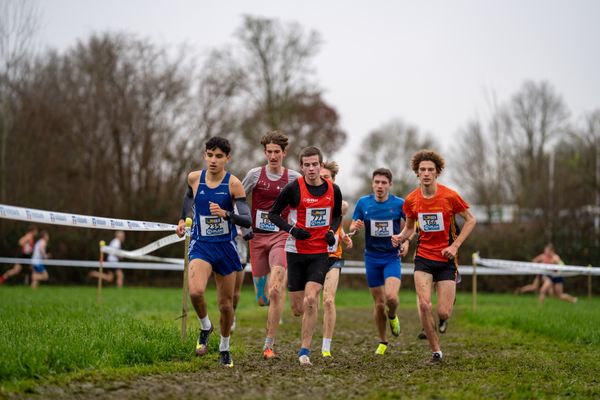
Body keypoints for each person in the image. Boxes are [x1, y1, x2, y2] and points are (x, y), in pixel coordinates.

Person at [392, 149, 476, 365]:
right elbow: (409, 229)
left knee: (443, 312)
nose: (426, 173)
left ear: (437, 173)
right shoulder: (411, 200)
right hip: (424, 258)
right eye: (422, 170)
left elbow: (471, 220)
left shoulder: (449, 196)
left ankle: (443, 317)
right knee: (424, 305)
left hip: (447, 259)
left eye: (430, 170)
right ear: (417, 173)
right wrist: (400, 238)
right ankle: (436, 351)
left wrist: (455, 246)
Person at [176, 136, 251, 368]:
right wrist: (183, 218)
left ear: (228, 158)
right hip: (202, 244)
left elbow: (247, 220)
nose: (213, 160)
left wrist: (227, 214)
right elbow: (189, 197)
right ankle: (206, 326)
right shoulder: (194, 178)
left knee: (226, 305)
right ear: (204, 155)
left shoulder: (234, 184)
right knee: (196, 292)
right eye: (210, 155)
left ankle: (225, 347)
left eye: (219, 156)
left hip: (225, 248)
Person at [269, 146, 342, 366]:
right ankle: (305, 322)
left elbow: (337, 215)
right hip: (296, 252)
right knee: (297, 308)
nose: (311, 169)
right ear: (301, 167)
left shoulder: (334, 189)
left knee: (312, 298)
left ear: (321, 166)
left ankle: (304, 351)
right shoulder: (293, 189)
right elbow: (273, 214)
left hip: (320, 252)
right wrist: (292, 230)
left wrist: (331, 231)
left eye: (315, 164)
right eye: (307, 165)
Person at [240, 130, 301, 359]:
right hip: (257, 238)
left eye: (277, 152)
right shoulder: (255, 175)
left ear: (284, 153)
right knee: (262, 298)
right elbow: (236, 197)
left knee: (276, 288)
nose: (273, 156)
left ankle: (269, 345)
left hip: (281, 236)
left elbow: (305, 202)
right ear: (264, 152)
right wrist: (239, 223)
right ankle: (261, 295)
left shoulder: (294, 178)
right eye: (269, 152)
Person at [350, 168, 409, 355]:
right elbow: (353, 224)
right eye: (377, 182)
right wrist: (356, 226)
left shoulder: (400, 204)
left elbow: (411, 226)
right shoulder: (363, 202)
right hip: (372, 258)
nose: (380, 186)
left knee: (391, 297)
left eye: (384, 183)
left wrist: (405, 241)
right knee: (378, 303)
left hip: (391, 257)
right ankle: (383, 341)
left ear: (390, 185)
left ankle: (393, 316)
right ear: (372, 184)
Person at [320, 161, 353, 358]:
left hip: (333, 257)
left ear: (333, 180)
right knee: (308, 303)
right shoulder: (308, 200)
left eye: (327, 178)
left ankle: (326, 347)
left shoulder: (340, 204)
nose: (324, 181)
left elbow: (339, 218)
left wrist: (343, 236)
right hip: (312, 256)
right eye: (321, 177)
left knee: (329, 300)